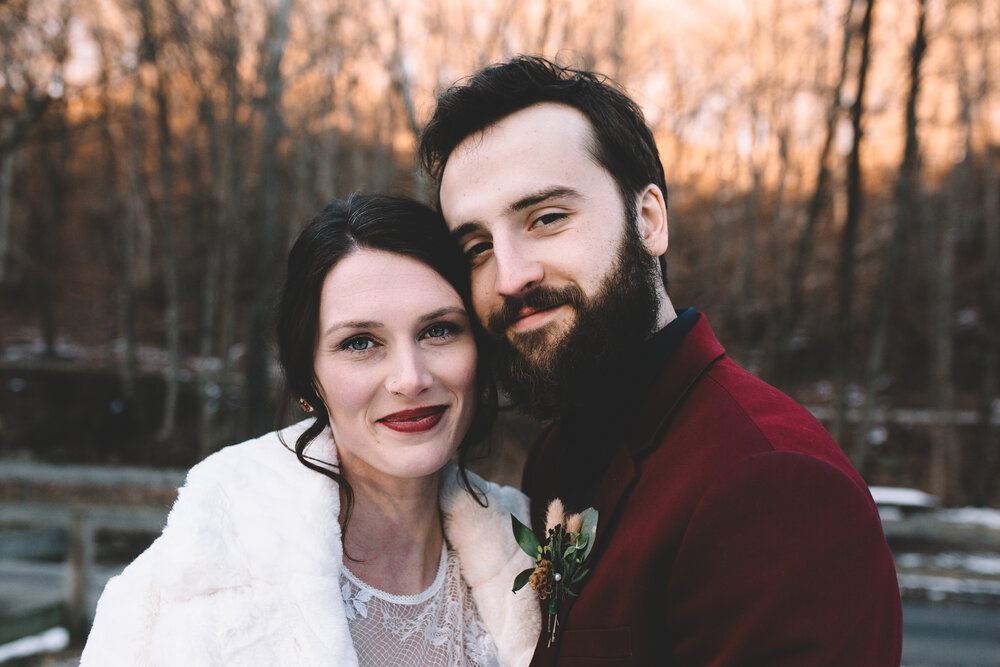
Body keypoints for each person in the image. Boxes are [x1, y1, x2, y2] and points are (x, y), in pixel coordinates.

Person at [418, 56, 903, 665]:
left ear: (648, 220)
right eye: (478, 246)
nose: (509, 276)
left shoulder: (773, 487)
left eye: (546, 218)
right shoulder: (557, 453)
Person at [80, 194, 540, 666]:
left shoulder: (527, 550)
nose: (411, 378)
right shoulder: (198, 573)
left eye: (439, 330)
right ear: (310, 379)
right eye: (360, 342)